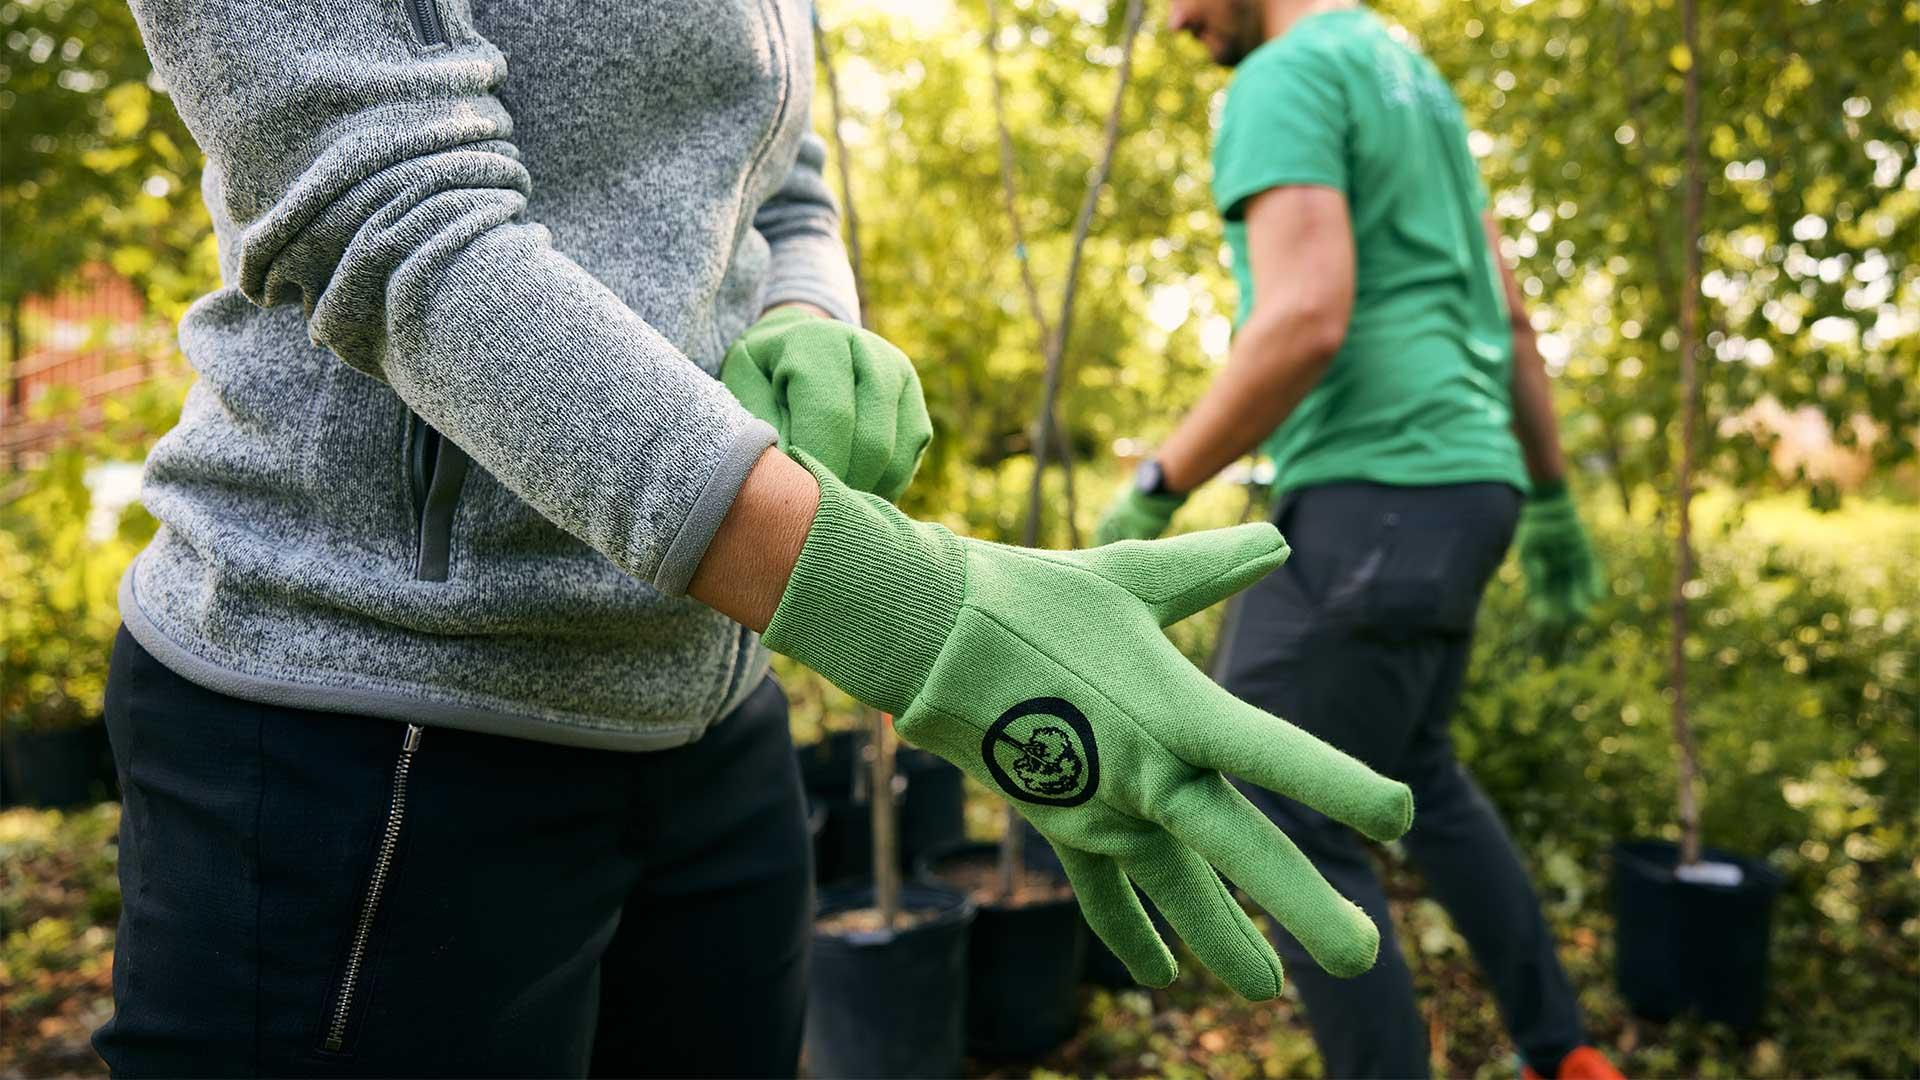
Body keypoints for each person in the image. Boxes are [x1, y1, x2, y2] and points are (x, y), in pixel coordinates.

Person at [98, 0, 1416, 1074]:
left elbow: (782, 171)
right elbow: (384, 219)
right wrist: (907, 610)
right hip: (375, 713)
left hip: (707, 711)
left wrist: (800, 307)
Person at [1098, 1, 1618, 1078]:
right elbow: (1511, 317)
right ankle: (1562, 1055)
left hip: (1374, 490)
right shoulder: (1409, 75)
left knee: (1279, 805)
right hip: (1468, 485)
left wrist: (1159, 482)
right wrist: (1551, 490)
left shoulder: (1285, 77)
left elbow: (1304, 316)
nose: (1178, 20)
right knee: (1416, 767)